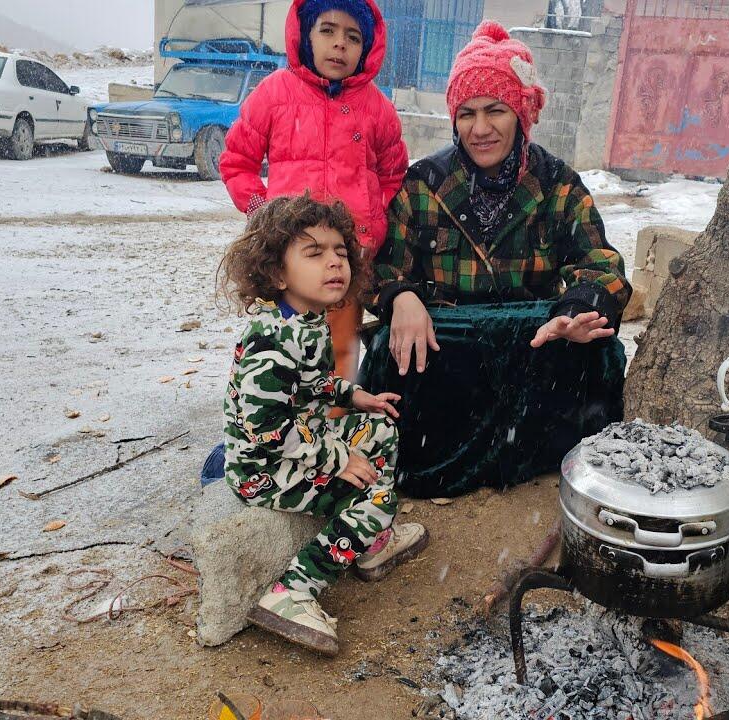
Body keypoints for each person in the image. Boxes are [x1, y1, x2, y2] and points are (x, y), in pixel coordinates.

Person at [362, 22, 632, 498]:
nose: (480, 129)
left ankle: (554, 459)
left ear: (521, 115)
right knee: (389, 347)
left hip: (533, 350)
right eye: (467, 113)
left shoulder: (558, 184)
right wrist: (400, 296)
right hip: (449, 352)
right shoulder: (424, 184)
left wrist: (577, 311)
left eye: (495, 110)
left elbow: (601, 265)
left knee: (601, 350)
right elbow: (381, 270)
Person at [217, 195, 428, 657]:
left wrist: (354, 396)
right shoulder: (271, 343)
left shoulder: (305, 319)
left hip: (302, 443)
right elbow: (267, 429)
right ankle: (293, 591)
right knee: (380, 499)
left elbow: (313, 381)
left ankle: (369, 543)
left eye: (340, 252)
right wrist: (339, 459)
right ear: (277, 273)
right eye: (314, 253)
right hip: (265, 470)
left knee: (381, 429)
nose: (334, 263)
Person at [220, 0, 407, 384]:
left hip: (347, 261)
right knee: (283, 352)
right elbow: (237, 162)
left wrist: (373, 223)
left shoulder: (377, 108)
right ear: (305, 35)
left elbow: (393, 176)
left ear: (366, 48)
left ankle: (336, 418)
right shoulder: (274, 94)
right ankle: (274, 416)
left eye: (353, 37)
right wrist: (263, 214)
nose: (340, 44)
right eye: (328, 30)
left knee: (340, 356)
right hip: (291, 262)